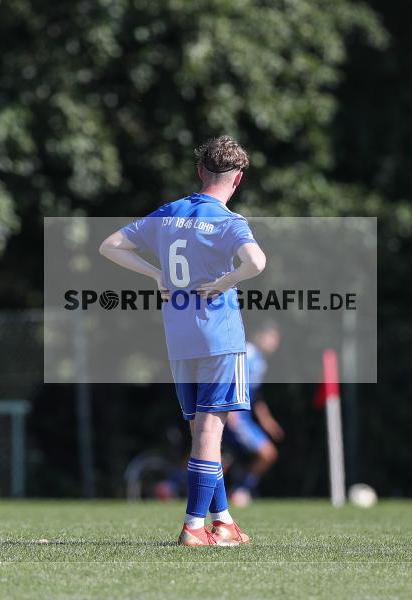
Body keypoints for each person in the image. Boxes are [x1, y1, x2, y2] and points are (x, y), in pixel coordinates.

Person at [99, 136, 266, 546]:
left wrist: (155, 274)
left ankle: (222, 522)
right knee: (210, 434)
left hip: (179, 339)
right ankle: (194, 526)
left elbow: (110, 246)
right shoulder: (229, 220)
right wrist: (225, 282)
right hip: (219, 337)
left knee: (202, 435)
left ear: (200, 172)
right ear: (238, 179)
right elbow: (256, 263)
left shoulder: (170, 212)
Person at [224, 323, 283, 506]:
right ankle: (241, 490)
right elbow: (229, 378)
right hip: (236, 416)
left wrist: (267, 420)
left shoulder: (260, 361)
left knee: (221, 457)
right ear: (259, 335)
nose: (273, 344)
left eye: (276, 341)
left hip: (245, 418)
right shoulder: (246, 353)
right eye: (271, 338)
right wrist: (230, 408)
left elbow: (255, 395)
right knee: (267, 453)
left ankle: (239, 490)